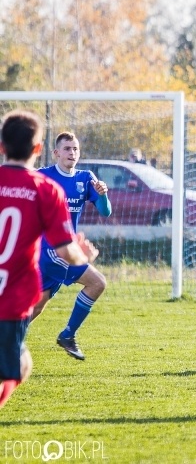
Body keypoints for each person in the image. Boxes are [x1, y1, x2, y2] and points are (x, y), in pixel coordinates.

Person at [0, 111, 92, 409]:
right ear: (38, 149)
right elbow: (67, 249)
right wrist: (84, 256)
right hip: (10, 301)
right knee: (20, 365)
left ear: (2, 146)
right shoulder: (45, 188)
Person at [31, 132, 112, 361]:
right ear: (56, 153)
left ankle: (9, 339)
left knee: (36, 307)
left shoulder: (86, 178)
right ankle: (67, 335)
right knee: (97, 282)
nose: (72, 153)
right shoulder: (42, 176)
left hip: (64, 250)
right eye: (67, 149)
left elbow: (106, 212)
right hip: (50, 252)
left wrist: (102, 196)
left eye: (75, 149)